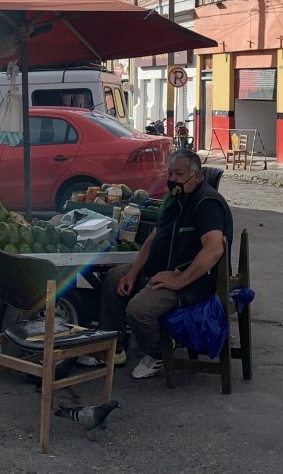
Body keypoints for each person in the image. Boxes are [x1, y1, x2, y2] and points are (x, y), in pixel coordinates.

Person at [96, 149, 232, 380]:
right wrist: (134, 272)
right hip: (160, 271)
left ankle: (155, 353)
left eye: (179, 173)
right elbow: (154, 238)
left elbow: (214, 248)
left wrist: (179, 280)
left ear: (196, 176)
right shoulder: (174, 200)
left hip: (193, 281)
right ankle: (113, 347)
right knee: (115, 278)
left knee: (139, 310)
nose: (173, 179)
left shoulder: (207, 202)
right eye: (170, 173)